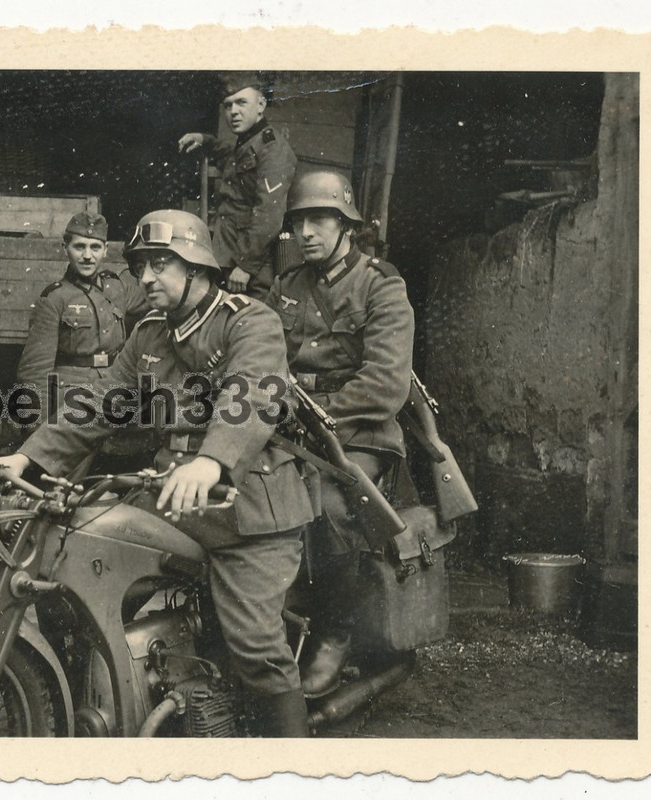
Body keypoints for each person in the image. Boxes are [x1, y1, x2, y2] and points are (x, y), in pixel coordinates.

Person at [0, 209, 315, 737]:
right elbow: (96, 405)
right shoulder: (150, 334)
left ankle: (291, 768)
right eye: (141, 266)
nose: (145, 278)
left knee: (255, 645)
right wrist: (29, 456)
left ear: (198, 267)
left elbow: (252, 391)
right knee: (76, 564)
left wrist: (212, 459)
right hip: (169, 498)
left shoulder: (249, 320)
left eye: (160, 264)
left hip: (247, 510)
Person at [266, 170, 416, 698]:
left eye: (319, 219)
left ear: (346, 224)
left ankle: (336, 632)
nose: (306, 232)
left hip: (360, 432)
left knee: (327, 504)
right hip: (292, 424)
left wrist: (320, 413)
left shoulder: (381, 285)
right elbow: (260, 355)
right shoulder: (285, 286)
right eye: (298, 221)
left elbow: (385, 385)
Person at [177, 74, 298, 302]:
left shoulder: (273, 151)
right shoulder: (247, 143)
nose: (233, 111)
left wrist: (245, 266)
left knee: (251, 325)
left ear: (261, 105)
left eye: (242, 103)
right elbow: (229, 155)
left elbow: (269, 215)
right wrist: (204, 139)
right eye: (228, 105)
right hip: (228, 257)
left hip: (254, 269)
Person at [16, 211, 147, 395]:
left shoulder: (118, 288)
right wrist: (47, 421)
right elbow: (34, 373)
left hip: (114, 390)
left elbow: (157, 299)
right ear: (65, 247)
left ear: (105, 250)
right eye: (79, 247)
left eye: (95, 247)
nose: (87, 255)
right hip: (70, 397)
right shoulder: (54, 299)